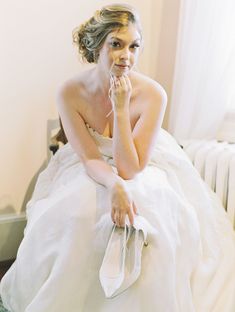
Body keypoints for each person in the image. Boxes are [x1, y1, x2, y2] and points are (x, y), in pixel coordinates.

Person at [1, 3, 235, 312]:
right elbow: (89, 158)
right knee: (76, 211)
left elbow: (130, 167)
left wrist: (122, 109)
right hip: (92, 163)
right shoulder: (69, 92)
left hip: (141, 161)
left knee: (153, 209)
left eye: (134, 46)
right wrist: (114, 187)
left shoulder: (153, 95)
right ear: (96, 45)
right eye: (116, 44)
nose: (127, 55)